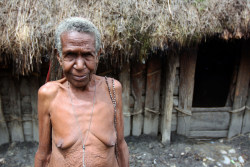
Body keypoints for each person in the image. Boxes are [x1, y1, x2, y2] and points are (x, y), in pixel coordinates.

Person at [34, 17, 129, 167]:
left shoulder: (112, 89)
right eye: (70, 55)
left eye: (87, 55)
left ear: (97, 55)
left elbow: (120, 146)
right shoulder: (49, 94)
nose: (79, 65)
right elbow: (43, 154)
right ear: (59, 57)